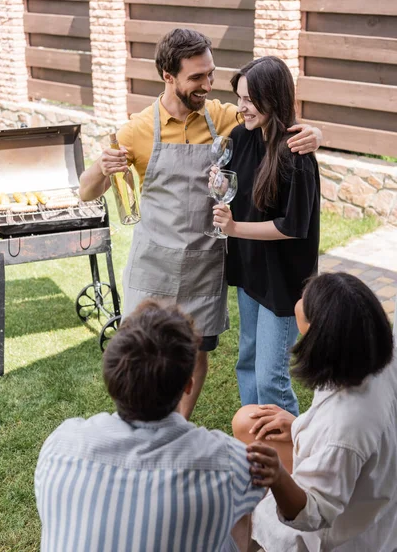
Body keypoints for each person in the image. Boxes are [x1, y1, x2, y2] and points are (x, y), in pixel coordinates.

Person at [79, 29, 322, 418]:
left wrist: (315, 133)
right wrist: (99, 168)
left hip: (205, 262)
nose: (207, 85)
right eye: (197, 78)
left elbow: (270, 117)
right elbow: (87, 192)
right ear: (168, 77)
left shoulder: (223, 117)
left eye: (210, 75)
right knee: (142, 354)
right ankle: (137, 428)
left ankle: (177, 426)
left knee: (195, 353)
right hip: (154, 262)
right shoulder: (136, 129)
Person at [35, 299, 267, 552]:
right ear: (188, 386)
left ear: (111, 379)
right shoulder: (228, 462)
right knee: (241, 515)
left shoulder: (60, 444)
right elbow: (270, 495)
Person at [232, 272, 397, 552]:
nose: (298, 301)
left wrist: (277, 476)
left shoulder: (344, 427)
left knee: (233, 505)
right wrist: (299, 424)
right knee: (248, 421)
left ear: (318, 337)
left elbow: (315, 514)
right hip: (369, 489)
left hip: (339, 535)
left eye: (303, 303)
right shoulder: (373, 357)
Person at [212, 56, 320, 415]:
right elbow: (231, 180)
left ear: (273, 99)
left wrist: (234, 229)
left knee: (270, 378)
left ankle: (293, 452)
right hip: (251, 273)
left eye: (249, 99)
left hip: (283, 283)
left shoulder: (296, 154)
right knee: (247, 361)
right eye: (239, 97)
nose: (240, 107)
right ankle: (254, 442)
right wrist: (219, 182)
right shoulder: (241, 136)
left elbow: (292, 226)